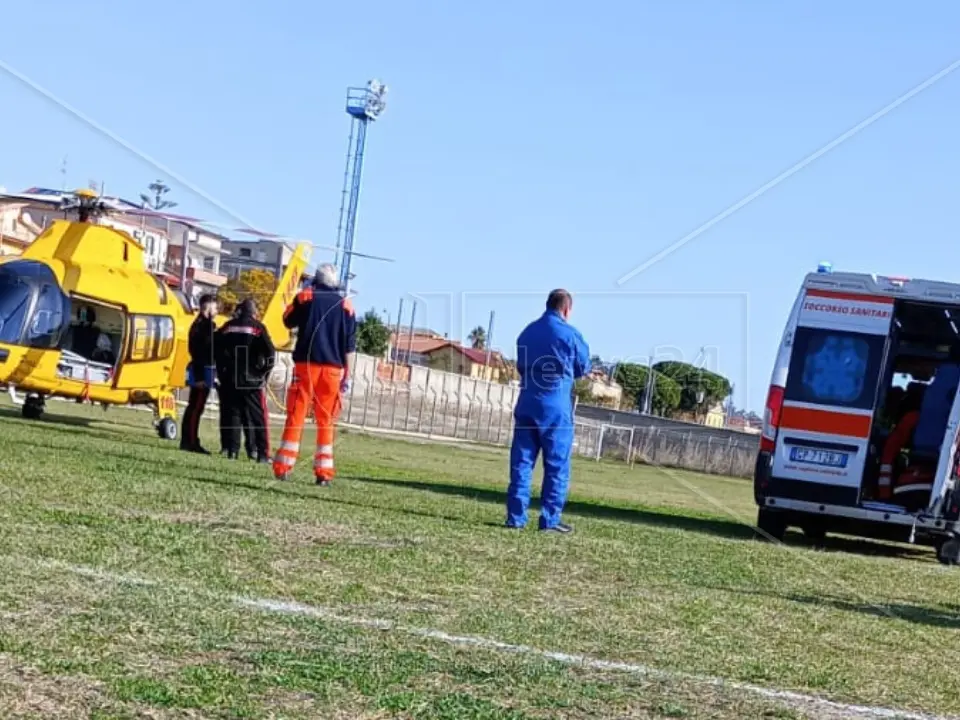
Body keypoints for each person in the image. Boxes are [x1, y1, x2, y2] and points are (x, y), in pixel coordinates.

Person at [506, 289, 590, 533]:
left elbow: (521, 366)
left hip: (527, 399)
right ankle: (549, 519)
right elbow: (583, 366)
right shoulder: (571, 334)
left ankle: (515, 517)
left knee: (522, 461)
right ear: (566, 310)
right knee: (556, 464)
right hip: (556, 404)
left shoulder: (527, 333)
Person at [272, 263, 356, 485]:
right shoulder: (346, 305)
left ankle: (283, 466)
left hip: (306, 366)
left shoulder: (306, 296)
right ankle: (323, 473)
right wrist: (347, 376)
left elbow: (287, 319)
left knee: (296, 414)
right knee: (326, 420)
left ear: (316, 280)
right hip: (333, 370)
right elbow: (349, 347)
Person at [215, 298, 276, 462]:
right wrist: (264, 374)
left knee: (234, 414)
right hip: (251, 379)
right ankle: (263, 453)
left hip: (230, 377)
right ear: (254, 312)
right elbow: (271, 353)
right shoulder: (258, 328)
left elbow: (216, 348)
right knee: (259, 417)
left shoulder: (228, 326)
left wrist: (222, 371)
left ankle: (232, 451)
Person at [180, 294, 219, 454]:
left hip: (199, 368)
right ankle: (190, 441)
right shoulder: (204, 327)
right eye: (216, 307)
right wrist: (203, 377)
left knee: (194, 407)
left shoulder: (197, 325)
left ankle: (188, 439)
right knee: (196, 408)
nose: (217, 311)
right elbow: (204, 352)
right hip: (202, 369)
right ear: (209, 307)